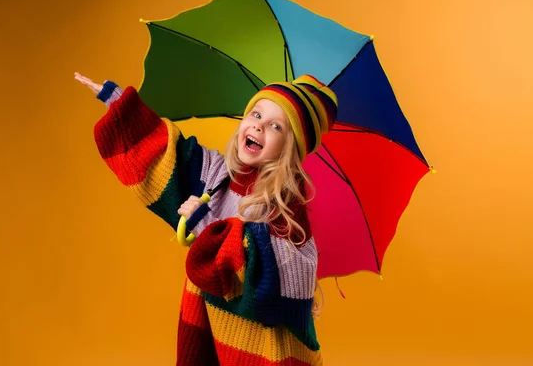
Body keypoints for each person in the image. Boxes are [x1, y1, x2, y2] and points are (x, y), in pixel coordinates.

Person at [75, 71, 338, 366]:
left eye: (275, 126)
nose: (259, 126)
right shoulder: (216, 174)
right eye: (256, 113)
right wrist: (118, 103)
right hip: (212, 320)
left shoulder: (285, 208)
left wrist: (205, 224)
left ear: (291, 149)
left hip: (263, 345)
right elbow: (167, 154)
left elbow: (281, 276)